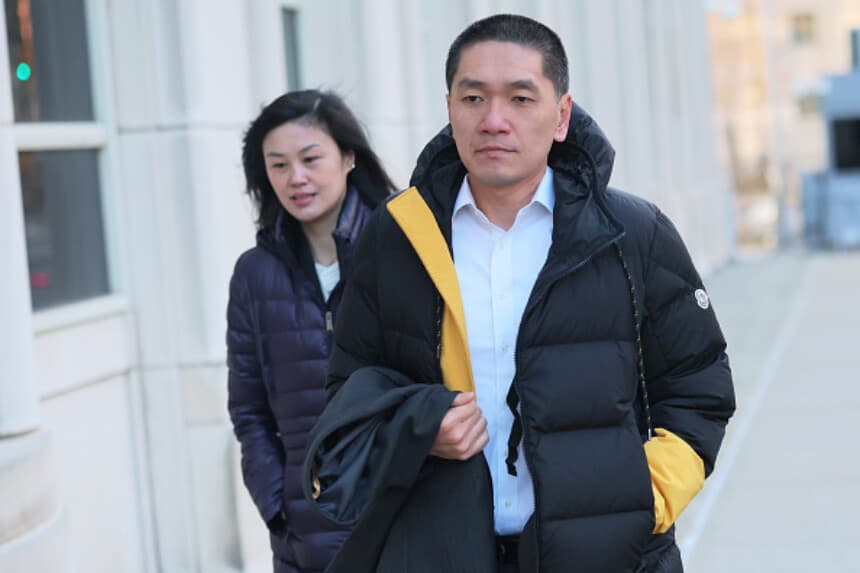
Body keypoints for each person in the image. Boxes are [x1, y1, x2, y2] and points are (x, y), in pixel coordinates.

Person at [322, 14, 735, 573]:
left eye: (521, 98)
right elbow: (351, 389)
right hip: (442, 551)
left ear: (561, 115)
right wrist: (418, 430)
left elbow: (698, 386)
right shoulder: (397, 236)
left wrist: (643, 500)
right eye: (474, 98)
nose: (494, 121)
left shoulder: (633, 233)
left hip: (605, 557)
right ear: (450, 110)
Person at [226, 89, 396, 573]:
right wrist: (278, 507)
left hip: (402, 516)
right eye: (278, 165)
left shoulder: (400, 253)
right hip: (304, 536)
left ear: (347, 158)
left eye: (310, 158)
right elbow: (249, 409)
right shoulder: (254, 275)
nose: (295, 178)